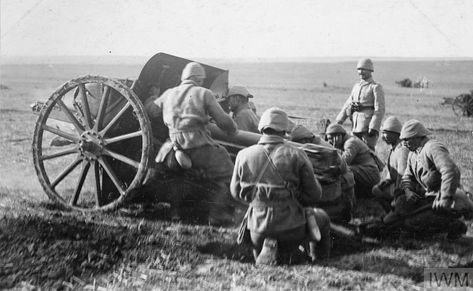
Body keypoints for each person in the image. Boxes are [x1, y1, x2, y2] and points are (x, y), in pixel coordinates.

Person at [230, 107, 331, 265]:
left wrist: (258, 201)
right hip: (291, 230)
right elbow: (314, 195)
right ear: (284, 131)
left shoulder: (243, 155)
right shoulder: (297, 154)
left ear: (261, 128)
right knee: (323, 219)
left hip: (257, 230)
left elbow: (235, 193)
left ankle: (263, 257)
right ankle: (320, 263)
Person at [149, 62, 239, 226]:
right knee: (229, 172)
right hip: (197, 146)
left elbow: (151, 110)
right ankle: (217, 214)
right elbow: (223, 121)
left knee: (177, 176)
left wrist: (153, 96)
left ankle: (176, 211)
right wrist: (233, 129)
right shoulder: (204, 93)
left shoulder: (169, 94)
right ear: (199, 79)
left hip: (171, 149)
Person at [378, 120, 469, 240]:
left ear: (417, 137)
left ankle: (455, 224)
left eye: (407, 139)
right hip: (430, 198)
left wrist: (445, 198)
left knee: (411, 223)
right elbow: (407, 177)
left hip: (450, 199)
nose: (404, 144)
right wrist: (407, 192)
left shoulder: (432, 147)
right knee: (399, 214)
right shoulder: (413, 154)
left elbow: (451, 171)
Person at [291, 124, 355, 222]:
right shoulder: (312, 145)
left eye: (297, 143)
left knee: (342, 210)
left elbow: (339, 167)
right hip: (334, 177)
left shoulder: (322, 148)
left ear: (304, 140)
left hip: (342, 179)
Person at [335, 58, 385, 151]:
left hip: (367, 128)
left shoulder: (375, 87)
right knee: (355, 151)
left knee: (369, 152)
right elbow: (347, 104)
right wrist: (339, 120)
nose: (360, 72)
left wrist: (373, 127)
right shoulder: (356, 87)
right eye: (359, 69)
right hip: (355, 126)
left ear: (370, 70)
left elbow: (379, 109)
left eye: (363, 69)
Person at [325, 123, 380, 198]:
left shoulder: (351, 143)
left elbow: (343, 162)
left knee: (344, 170)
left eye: (330, 138)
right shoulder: (347, 140)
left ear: (338, 136)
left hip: (371, 174)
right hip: (364, 171)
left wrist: (335, 148)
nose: (329, 142)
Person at [371, 116, 410, 211]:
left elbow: (402, 175)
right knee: (376, 189)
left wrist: (397, 194)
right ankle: (390, 210)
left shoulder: (402, 150)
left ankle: (394, 211)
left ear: (395, 134)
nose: (383, 137)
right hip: (397, 184)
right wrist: (384, 183)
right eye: (382, 133)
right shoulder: (394, 148)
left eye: (385, 133)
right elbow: (392, 172)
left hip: (405, 188)